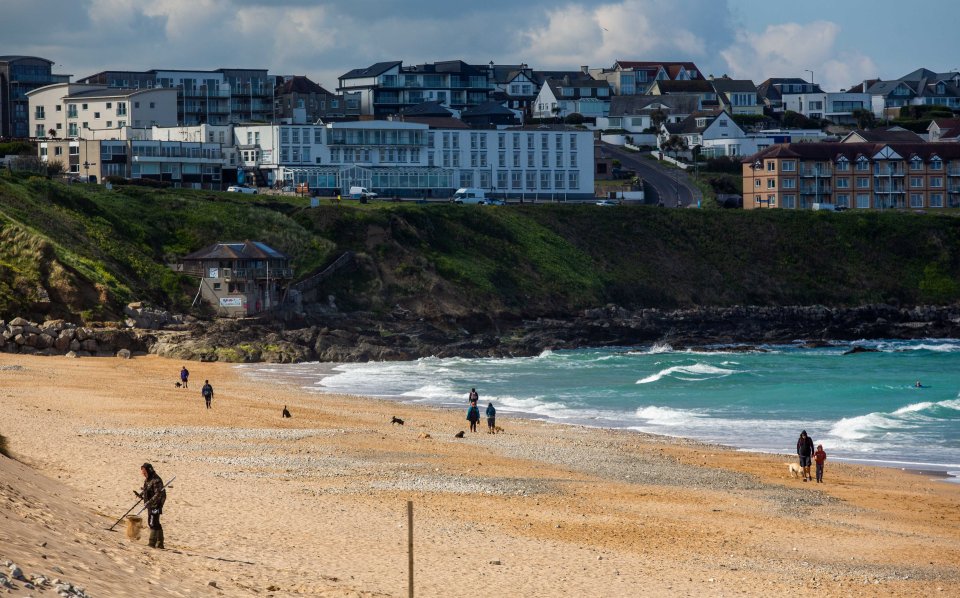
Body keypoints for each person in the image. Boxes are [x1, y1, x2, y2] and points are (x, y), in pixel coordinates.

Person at [136, 463, 166, 549]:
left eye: (145, 473)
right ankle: (160, 543)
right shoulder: (148, 479)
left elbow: (158, 494)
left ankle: (152, 543)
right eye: (142, 473)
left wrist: (150, 502)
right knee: (155, 522)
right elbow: (147, 489)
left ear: (149, 471)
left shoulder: (156, 480)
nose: (143, 475)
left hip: (156, 503)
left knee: (152, 522)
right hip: (151, 503)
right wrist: (141, 495)